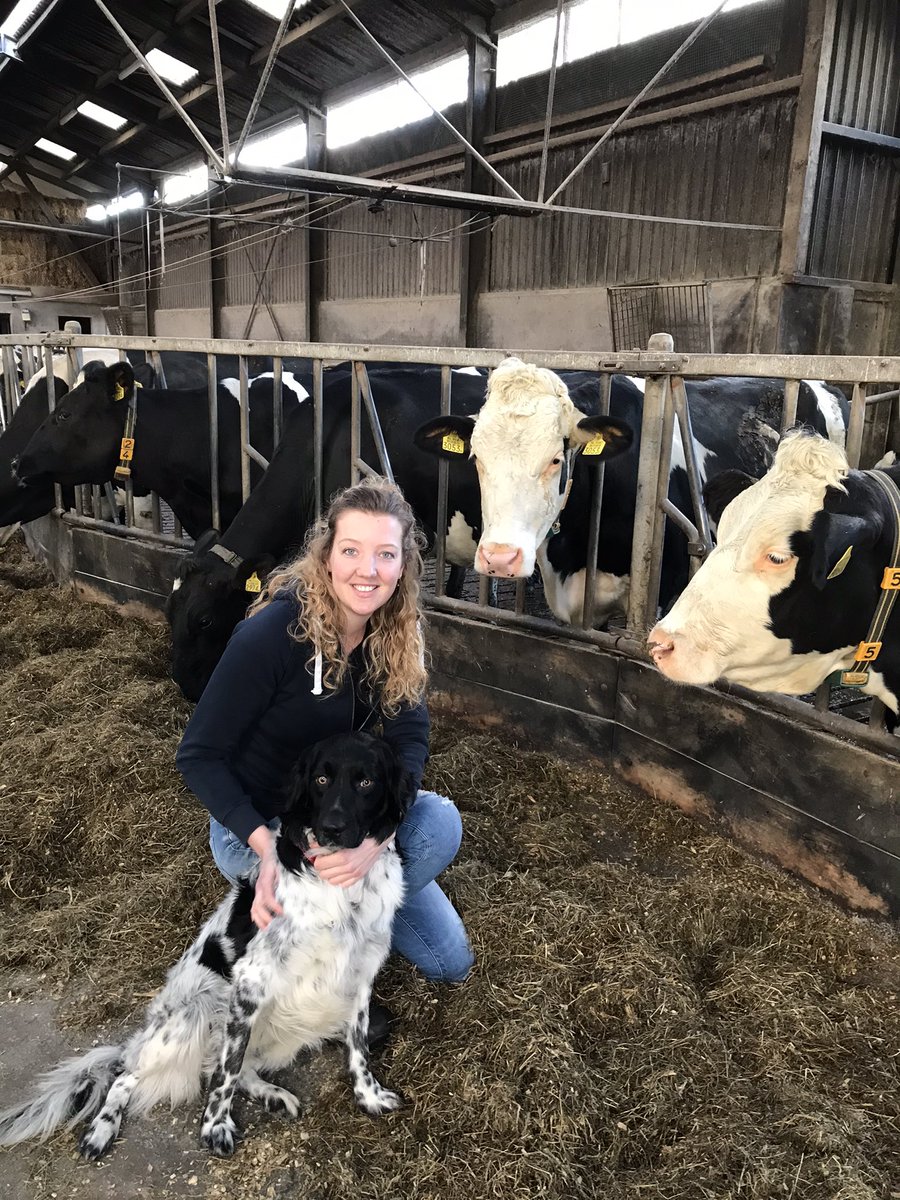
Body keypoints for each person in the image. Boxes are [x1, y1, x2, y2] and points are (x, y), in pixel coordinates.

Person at [176, 476, 474, 989]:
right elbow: (199, 756)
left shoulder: (397, 633)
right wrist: (266, 847)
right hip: (265, 826)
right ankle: (321, 964)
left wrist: (377, 841)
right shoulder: (272, 635)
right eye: (352, 550)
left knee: (449, 950)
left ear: (403, 565)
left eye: (385, 554)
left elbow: (410, 735)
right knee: (334, 894)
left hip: (349, 819)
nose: (368, 570)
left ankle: (322, 920)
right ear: (327, 556)